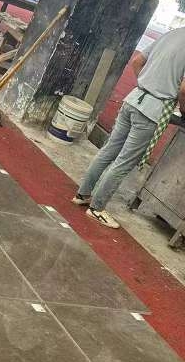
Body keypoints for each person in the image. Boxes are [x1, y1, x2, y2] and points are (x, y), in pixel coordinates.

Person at [72, 27, 185, 229]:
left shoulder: (173, 34)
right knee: (124, 162)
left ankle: (82, 195)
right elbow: (183, 90)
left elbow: (137, 61)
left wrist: (146, 84)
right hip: (151, 111)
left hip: (133, 99)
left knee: (108, 151)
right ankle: (97, 208)